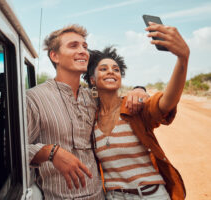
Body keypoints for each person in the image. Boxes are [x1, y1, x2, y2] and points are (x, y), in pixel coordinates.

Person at [26, 24, 149, 199]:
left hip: (100, 196)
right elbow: (12, 151)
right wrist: (50, 152)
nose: (83, 51)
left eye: (85, 46)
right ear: (55, 56)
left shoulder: (92, 98)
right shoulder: (33, 98)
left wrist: (139, 89)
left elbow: (118, 100)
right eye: (73, 45)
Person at [83, 22, 189, 200]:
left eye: (116, 69)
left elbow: (167, 102)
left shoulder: (134, 107)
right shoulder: (89, 118)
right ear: (92, 80)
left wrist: (182, 59)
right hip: (114, 197)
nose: (111, 72)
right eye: (103, 69)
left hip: (152, 195)